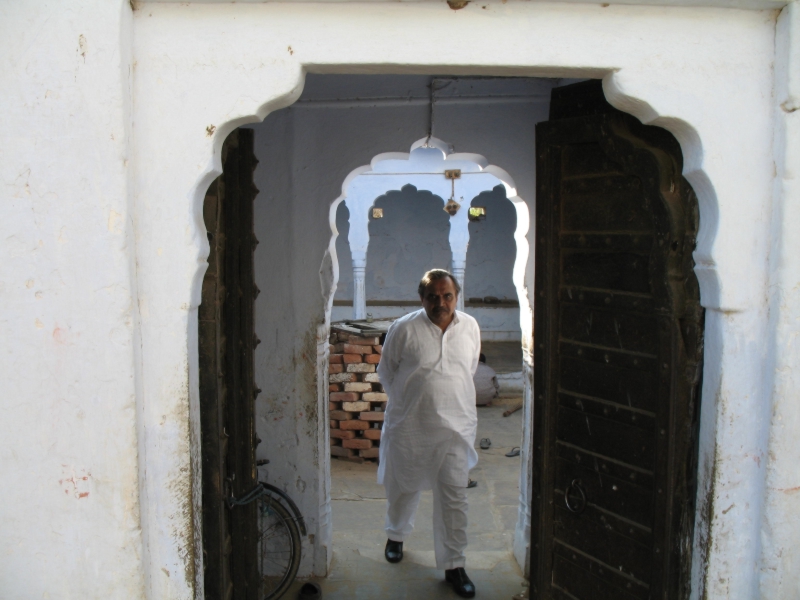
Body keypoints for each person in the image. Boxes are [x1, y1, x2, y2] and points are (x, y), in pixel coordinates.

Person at [377, 269, 481, 598]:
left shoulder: (470, 327)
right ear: (421, 298)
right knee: (403, 487)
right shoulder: (404, 329)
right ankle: (396, 536)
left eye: (447, 295)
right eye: (433, 296)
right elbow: (386, 371)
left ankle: (454, 564)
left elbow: (469, 368)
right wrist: (413, 400)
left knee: (455, 497)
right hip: (411, 426)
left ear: (456, 296)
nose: (441, 302)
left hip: (455, 428)